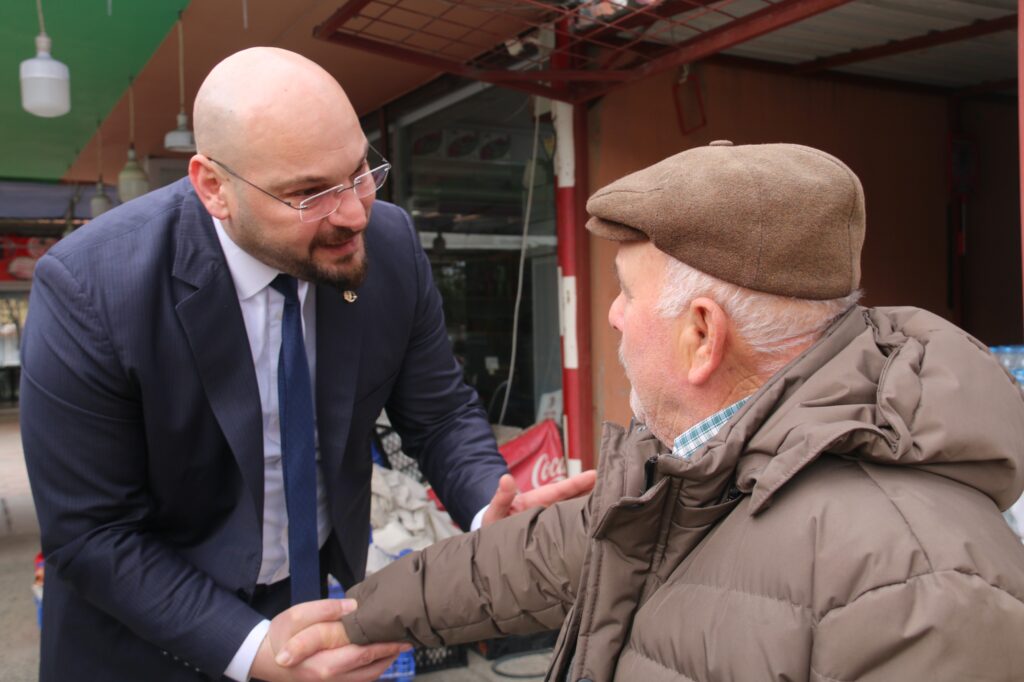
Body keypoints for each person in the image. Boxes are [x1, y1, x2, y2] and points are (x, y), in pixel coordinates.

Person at [273, 141, 1024, 681]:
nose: (612, 316)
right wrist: (354, 618)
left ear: (702, 335)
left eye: (628, 292)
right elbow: (531, 556)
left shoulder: (926, 589)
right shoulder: (698, 465)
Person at [20, 47, 593, 682]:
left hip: (319, 609)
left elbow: (439, 413)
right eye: (310, 193)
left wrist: (491, 508)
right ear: (215, 188)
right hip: (145, 641)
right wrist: (253, 649)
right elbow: (93, 533)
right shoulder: (91, 288)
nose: (353, 213)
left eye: (359, 172)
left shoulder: (392, 247)